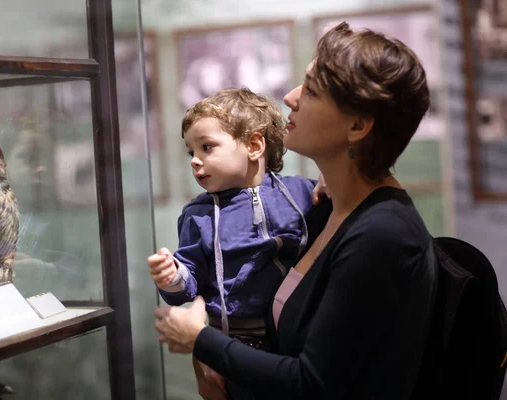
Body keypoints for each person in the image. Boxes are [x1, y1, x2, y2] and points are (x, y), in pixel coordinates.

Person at [154, 21, 437, 400]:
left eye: (313, 90)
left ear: (357, 125)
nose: (290, 97)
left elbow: (313, 383)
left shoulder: (381, 235)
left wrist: (202, 342)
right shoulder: (327, 209)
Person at [147, 88, 320, 399]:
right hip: (233, 347)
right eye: (191, 152)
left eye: (207, 147)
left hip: (296, 341)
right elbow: (188, 282)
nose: (195, 161)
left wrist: (328, 184)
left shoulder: (301, 194)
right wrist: (171, 275)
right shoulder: (197, 215)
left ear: (254, 145)